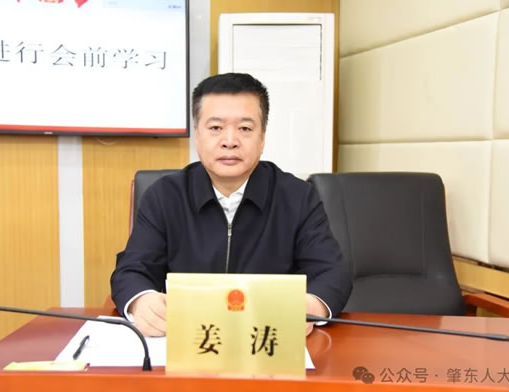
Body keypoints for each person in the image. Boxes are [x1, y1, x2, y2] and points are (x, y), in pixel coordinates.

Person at [110, 72, 352, 337]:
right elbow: (131, 270)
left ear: (262, 138)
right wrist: (141, 301)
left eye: (245, 129)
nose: (229, 141)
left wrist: (310, 306)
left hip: (267, 340)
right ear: (197, 136)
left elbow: (331, 273)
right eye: (215, 128)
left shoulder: (297, 196)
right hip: (189, 340)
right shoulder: (164, 196)